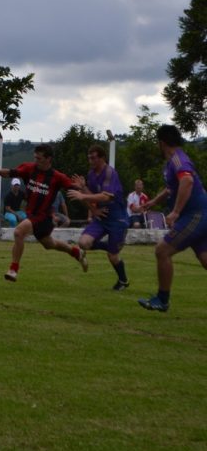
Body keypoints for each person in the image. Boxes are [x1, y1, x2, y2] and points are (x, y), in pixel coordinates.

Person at [0, 144, 87, 282]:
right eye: (35, 157)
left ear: (48, 159)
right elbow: (10, 172)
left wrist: (82, 187)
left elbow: (75, 188)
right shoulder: (29, 168)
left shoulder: (57, 177)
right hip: (32, 215)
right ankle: (77, 252)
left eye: (39, 158)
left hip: (44, 217)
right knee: (50, 244)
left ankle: (13, 269)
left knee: (18, 232)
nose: (36, 160)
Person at [137, 125, 207, 312]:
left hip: (196, 215)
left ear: (161, 142)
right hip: (200, 214)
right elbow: (171, 188)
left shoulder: (178, 160)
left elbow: (187, 181)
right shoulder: (173, 161)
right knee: (205, 259)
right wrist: (153, 201)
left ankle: (162, 299)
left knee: (162, 251)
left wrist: (175, 212)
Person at [67, 144, 130, 291]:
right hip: (102, 217)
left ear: (102, 158)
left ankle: (123, 280)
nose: (90, 161)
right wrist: (85, 192)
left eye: (93, 158)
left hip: (117, 219)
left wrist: (83, 195)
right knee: (83, 242)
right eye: (89, 158)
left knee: (113, 257)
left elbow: (105, 197)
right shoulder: (91, 174)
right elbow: (93, 196)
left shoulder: (109, 173)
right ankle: (111, 247)